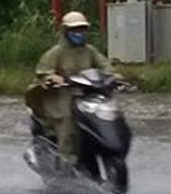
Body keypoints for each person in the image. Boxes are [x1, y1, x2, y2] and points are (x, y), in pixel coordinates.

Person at [26, 11, 112, 162]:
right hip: (62, 94)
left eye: (82, 29)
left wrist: (114, 76)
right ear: (65, 31)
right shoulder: (56, 53)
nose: (79, 33)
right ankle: (67, 158)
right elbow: (44, 71)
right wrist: (53, 77)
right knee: (68, 121)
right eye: (74, 30)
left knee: (108, 115)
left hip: (87, 93)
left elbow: (105, 66)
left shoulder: (90, 51)